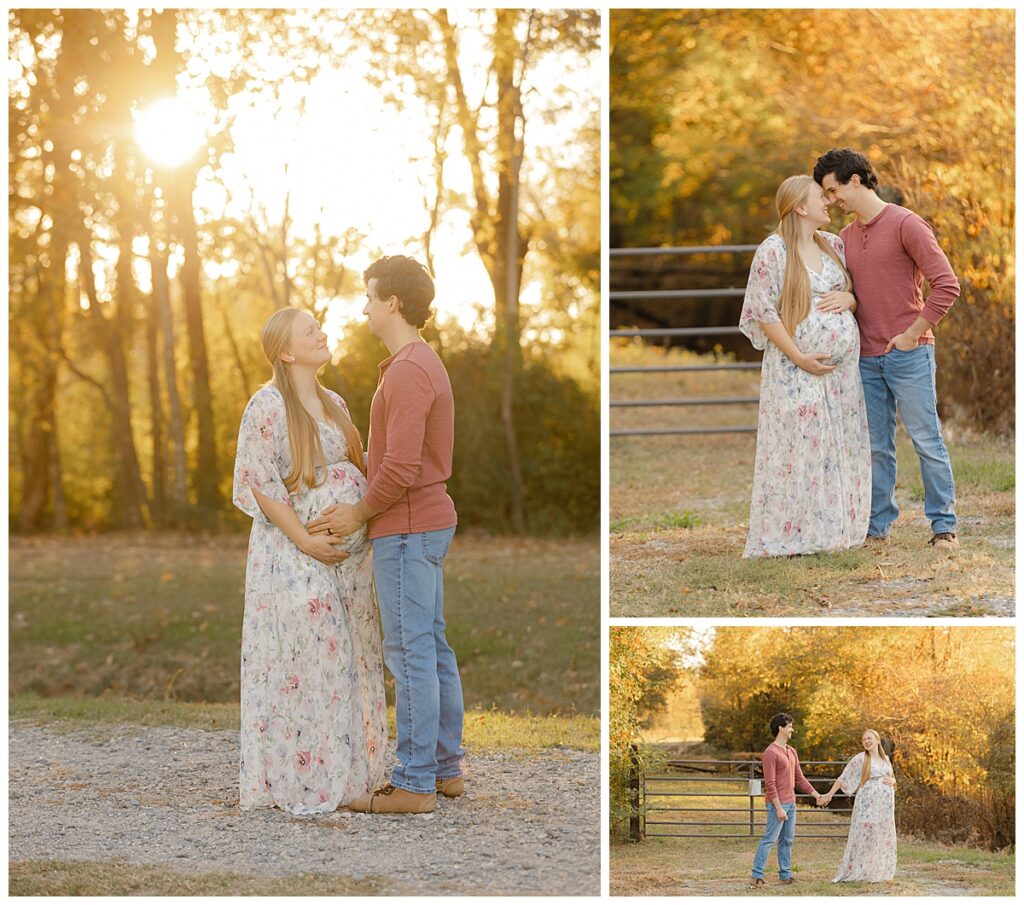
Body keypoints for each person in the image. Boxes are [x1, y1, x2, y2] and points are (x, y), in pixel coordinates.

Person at [308, 255, 465, 815]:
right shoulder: (418, 363)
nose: (365, 306)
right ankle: (444, 770)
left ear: (393, 303)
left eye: (370, 296)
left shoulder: (407, 369)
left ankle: (415, 783)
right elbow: (401, 456)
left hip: (406, 527)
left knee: (411, 653)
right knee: (433, 646)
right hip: (423, 521)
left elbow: (399, 469)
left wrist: (358, 511)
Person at [231, 307, 388, 815]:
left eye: (320, 327)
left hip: (348, 561)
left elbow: (356, 468)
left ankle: (353, 776)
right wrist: (305, 541)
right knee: (313, 658)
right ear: (286, 351)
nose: (322, 333)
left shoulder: (335, 402)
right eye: (310, 331)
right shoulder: (266, 406)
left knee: (355, 658)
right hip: (294, 554)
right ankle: (307, 775)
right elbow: (261, 483)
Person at [814, 148, 960, 550]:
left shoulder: (905, 224)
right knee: (877, 447)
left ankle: (944, 527)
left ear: (856, 180)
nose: (831, 200)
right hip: (864, 358)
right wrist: (849, 300)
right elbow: (852, 292)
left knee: (926, 440)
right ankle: (878, 526)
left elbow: (947, 285)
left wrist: (913, 333)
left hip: (908, 353)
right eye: (825, 195)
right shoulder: (843, 238)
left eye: (833, 190)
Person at [738, 175, 871, 557]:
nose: (828, 201)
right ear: (800, 206)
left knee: (837, 448)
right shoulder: (773, 252)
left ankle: (833, 531)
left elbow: (854, 294)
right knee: (799, 447)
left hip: (841, 375)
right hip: (795, 369)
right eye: (821, 196)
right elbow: (763, 312)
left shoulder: (833, 245)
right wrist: (799, 356)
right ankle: (795, 533)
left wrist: (850, 301)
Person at [749, 713, 824, 889]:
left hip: (791, 803)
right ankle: (756, 875)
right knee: (770, 839)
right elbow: (770, 784)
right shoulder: (770, 753)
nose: (792, 729)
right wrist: (778, 808)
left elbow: (800, 779)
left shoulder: (791, 752)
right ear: (780, 728)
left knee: (787, 840)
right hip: (778, 804)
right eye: (789, 726)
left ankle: (785, 875)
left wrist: (816, 795)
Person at [820, 729, 897, 883]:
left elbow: (892, 779)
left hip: (884, 808)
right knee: (865, 835)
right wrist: (829, 794)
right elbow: (843, 778)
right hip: (867, 805)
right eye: (864, 740)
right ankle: (860, 870)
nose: (867, 742)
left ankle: (876, 871)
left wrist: (894, 782)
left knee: (880, 836)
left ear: (877, 740)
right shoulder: (860, 759)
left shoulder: (886, 759)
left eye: (869, 739)